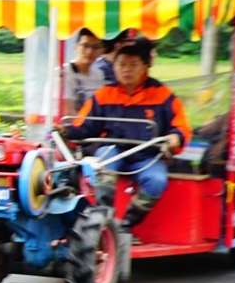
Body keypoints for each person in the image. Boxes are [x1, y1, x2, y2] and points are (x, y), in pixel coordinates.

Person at [63, 37, 190, 229]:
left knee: (157, 181)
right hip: (113, 149)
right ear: (114, 68)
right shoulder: (103, 94)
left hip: (147, 153)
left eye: (133, 65)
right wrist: (66, 130)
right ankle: (102, 220)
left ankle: (126, 225)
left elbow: (181, 127)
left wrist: (175, 137)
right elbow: (85, 126)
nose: (126, 70)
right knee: (103, 166)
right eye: (121, 64)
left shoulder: (162, 94)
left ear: (144, 67)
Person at [62, 28, 116, 113]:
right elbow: (66, 112)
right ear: (75, 46)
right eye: (85, 45)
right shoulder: (64, 73)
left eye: (96, 47)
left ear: (102, 50)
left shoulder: (99, 74)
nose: (89, 51)